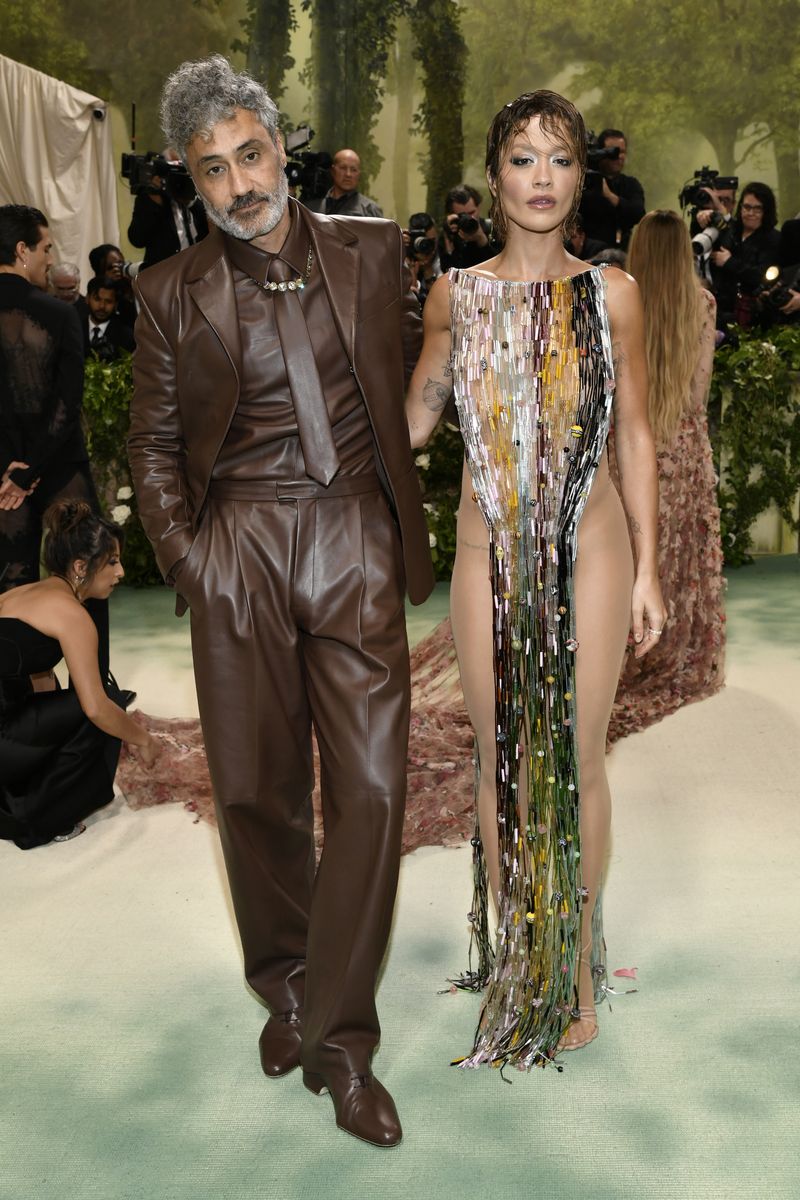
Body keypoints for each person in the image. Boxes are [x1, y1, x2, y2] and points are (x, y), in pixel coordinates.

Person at [128, 55, 432, 1148]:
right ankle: (286, 985)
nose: (238, 183)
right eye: (212, 170)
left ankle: (343, 1043)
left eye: (249, 155)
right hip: (239, 544)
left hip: (352, 532)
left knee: (370, 789)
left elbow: (410, 387)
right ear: (189, 180)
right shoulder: (168, 295)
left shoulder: (372, 249)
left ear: (279, 146)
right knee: (256, 794)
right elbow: (152, 448)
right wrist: (192, 561)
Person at [406, 90, 664, 1066]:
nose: (543, 177)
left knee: (576, 756)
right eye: (523, 158)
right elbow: (415, 425)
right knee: (498, 758)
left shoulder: (612, 294)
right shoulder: (454, 297)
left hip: (589, 551)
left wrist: (645, 567)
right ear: (494, 173)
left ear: (580, 177)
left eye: (559, 158)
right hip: (485, 556)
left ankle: (574, 970)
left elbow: (632, 432)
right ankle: (522, 952)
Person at [607, 211, 725, 743]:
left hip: (627, 447)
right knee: (672, 555)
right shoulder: (700, 304)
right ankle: (665, 651)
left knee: (626, 554)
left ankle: (614, 654)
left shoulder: (616, 302)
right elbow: (698, 395)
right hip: (681, 445)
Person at [0, 501, 158, 849]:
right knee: (105, 707)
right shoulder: (72, 615)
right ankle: (38, 820)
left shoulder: (23, 593)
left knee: (73, 706)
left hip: (6, 725)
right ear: (80, 566)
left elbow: (38, 677)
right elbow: (95, 708)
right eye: (113, 562)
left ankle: (22, 797)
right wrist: (143, 739)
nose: (121, 573)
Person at [0, 206, 100, 591]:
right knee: (86, 576)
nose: (50, 259)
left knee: (10, 588)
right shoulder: (60, 313)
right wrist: (31, 469)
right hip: (60, 464)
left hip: (2, 474)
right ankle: (87, 653)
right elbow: (66, 405)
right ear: (22, 250)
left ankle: (16, 654)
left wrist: (11, 472)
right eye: (46, 249)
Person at [710, 182, 781, 330]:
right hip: (721, 310)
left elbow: (763, 275)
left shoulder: (773, 239)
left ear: (766, 211)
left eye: (757, 209)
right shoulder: (731, 231)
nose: (750, 213)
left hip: (753, 315)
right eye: (747, 207)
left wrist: (729, 262)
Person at [579, 127, 645, 250]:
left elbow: (638, 213)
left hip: (621, 253)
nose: (618, 156)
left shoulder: (630, 184)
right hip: (587, 254)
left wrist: (610, 196)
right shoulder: (583, 182)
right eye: (613, 152)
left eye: (622, 152)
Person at [305, 148, 383, 217]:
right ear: (333, 171)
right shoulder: (312, 208)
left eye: (353, 170)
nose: (348, 174)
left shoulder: (370, 209)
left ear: (358, 175)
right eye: (343, 168)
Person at [439, 184, 496, 271]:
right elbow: (447, 273)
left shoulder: (493, 230)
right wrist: (448, 238)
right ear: (452, 215)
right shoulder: (450, 235)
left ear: (479, 207)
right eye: (462, 215)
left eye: (472, 212)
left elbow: (497, 270)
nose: (469, 218)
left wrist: (482, 239)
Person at [83, 276, 136, 360]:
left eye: (108, 301)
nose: (102, 306)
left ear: (116, 304)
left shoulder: (126, 335)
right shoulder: (74, 328)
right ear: (87, 298)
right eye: (97, 299)